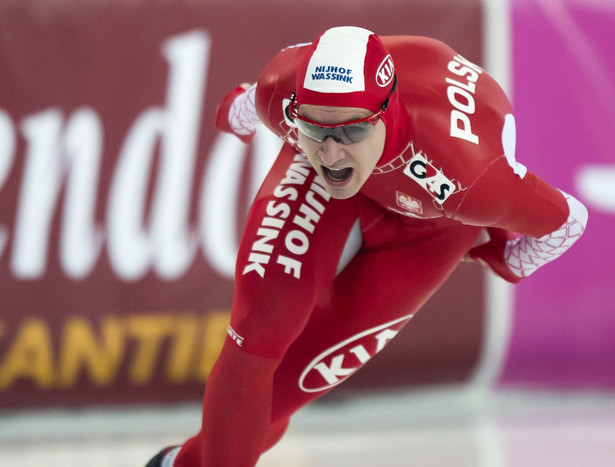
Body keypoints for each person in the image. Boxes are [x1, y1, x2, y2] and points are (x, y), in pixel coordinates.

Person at [146, 26, 588, 466]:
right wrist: (240, 118)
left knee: (279, 395)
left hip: (433, 230)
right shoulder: (284, 94)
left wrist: (510, 261)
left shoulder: (468, 177)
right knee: (258, 332)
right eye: (314, 129)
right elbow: (250, 106)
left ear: (387, 111)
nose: (333, 154)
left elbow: (569, 221)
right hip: (342, 182)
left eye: (350, 133)